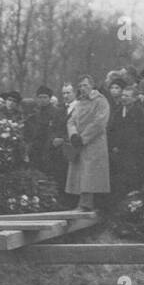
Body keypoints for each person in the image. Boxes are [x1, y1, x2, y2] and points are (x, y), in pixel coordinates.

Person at [64, 76, 110, 212]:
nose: (82, 88)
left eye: (85, 85)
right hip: (79, 142)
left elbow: (99, 122)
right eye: (80, 86)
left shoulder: (100, 101)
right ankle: (81, 203)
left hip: (94, 143)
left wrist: (83, 138)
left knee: (90, 174)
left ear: (92, 86)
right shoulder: (79, 102)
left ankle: (86, 204)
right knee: (80, 173)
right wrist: (73, 135)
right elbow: (71, 120)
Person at [107, 84, 144, 199]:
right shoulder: (117, 112)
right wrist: (113, 146)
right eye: (123, 95)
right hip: (118, 155)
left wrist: (133, 145)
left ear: (135, 98)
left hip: (134, 156)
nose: (124, 98)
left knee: (132, 184)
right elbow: (111, 131)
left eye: (127, 96)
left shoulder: (141, 113)